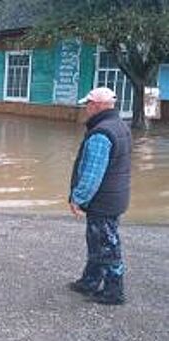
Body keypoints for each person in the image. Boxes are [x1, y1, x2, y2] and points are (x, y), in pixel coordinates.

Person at [68, 87, 132, 305]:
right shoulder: (120, 126)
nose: (86, 108)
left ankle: (114, 292)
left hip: (103, 201)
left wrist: (77, 198)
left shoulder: (101, 133)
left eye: (88, 104)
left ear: (96, 105)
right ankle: (90, 281)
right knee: (99, 242)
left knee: (106, 245)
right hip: (114, 197)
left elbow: (91, 175)